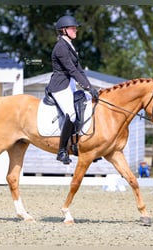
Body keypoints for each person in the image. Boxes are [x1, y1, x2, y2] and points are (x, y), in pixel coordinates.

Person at [46, 15, 99, 165]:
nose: (75, 30)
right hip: (60, 85)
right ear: (64, 30)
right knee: (72, 114)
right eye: (72, 28)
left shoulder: (70, 45)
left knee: (88, 107)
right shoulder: (61, 48)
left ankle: (79, 144)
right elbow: (72, 70)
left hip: (70, 84)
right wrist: (87, 87)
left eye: (75, 28)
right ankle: (62, 150)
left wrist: (90, 88)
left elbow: (79, 70)